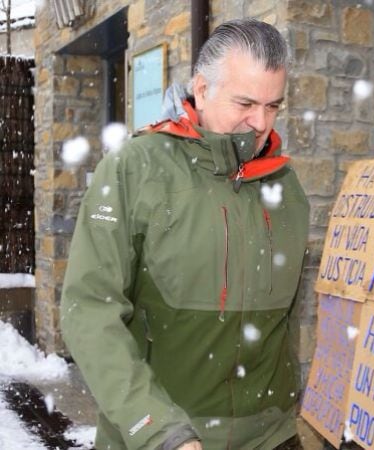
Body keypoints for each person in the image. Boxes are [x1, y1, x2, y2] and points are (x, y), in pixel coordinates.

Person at [60, 19, 309, 450]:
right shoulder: (133, 170)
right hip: (164, 437)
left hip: (271, 437)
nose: (260, 122)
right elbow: (89, 310)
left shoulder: (285, 186)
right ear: (202, 86)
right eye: (246, 102)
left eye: (273, 106)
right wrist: (156, 427)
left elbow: (284, 322)